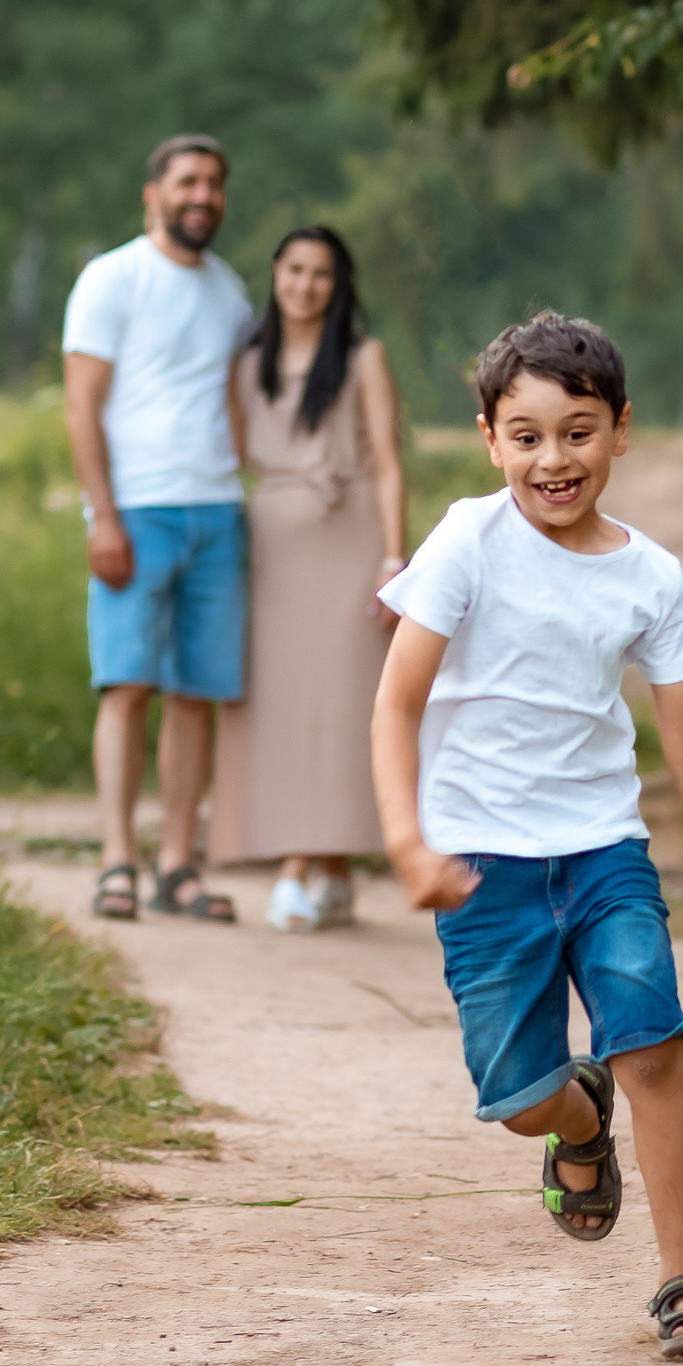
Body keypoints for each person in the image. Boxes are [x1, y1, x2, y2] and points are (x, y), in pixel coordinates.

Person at [371, 311, 683, 1359]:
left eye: (577, 432)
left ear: (619, 432)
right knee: (520, 1097)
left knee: (651, 1042)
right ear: (488, 438)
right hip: (480, 864)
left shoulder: (650, 574)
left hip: (604, 850)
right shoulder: (468, 539)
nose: (553, 459)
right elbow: (395, 703)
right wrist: (405, 841)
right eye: (527, 436)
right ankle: (574, 1122)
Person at [61, 134, 253, 924]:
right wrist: (101, 515)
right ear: (153, 194)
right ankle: (117, 860)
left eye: (213, 182)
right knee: (128, 683)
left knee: (194, 692)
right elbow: (81, 406)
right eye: (187, 182)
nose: (202, 195)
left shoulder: (231, 291)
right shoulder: (112, 278)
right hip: (137, 509)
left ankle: (178, 862)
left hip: (219, 508)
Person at [209, 226, 406, 931]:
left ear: (338, 284)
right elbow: (230, 453)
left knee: (347, 702)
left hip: (349, 536)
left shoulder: (363, 358)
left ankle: (306, 866)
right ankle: (327, 865)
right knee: (284, 704)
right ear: (275, 273)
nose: (305, 285)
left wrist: (393, 556)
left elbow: (387, 460)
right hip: (273, 544)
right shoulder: (248, 362)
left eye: (321, 273)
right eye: (294, 270)